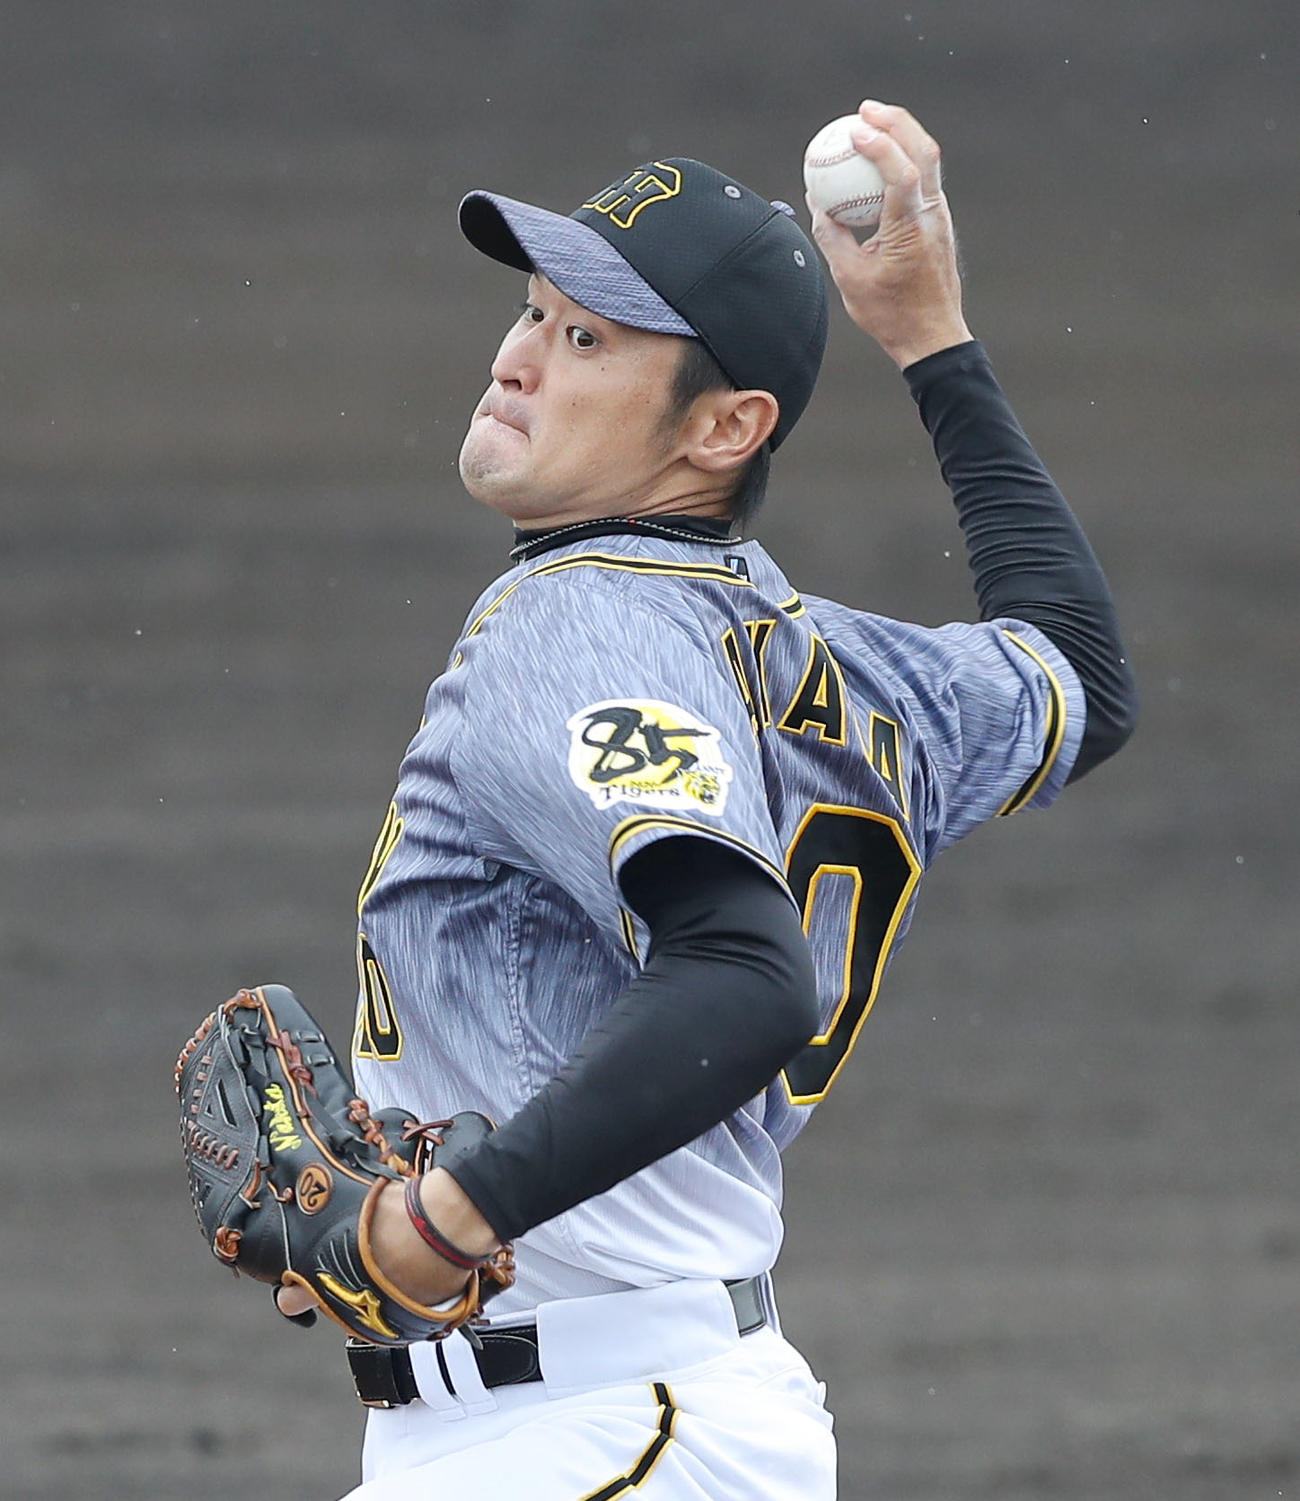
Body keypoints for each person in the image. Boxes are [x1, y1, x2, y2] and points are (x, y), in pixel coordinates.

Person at [279, 100, 1136, 1499]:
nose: (514, 358)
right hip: (639, 1414)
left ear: (725, 427)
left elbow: (746, 975)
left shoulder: (577, 617)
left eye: (587, 341)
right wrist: (932, 340)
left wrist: (445, 1218)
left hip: (593, 1422)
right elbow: (1079, 673)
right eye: (536, 314)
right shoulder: (839, 665)